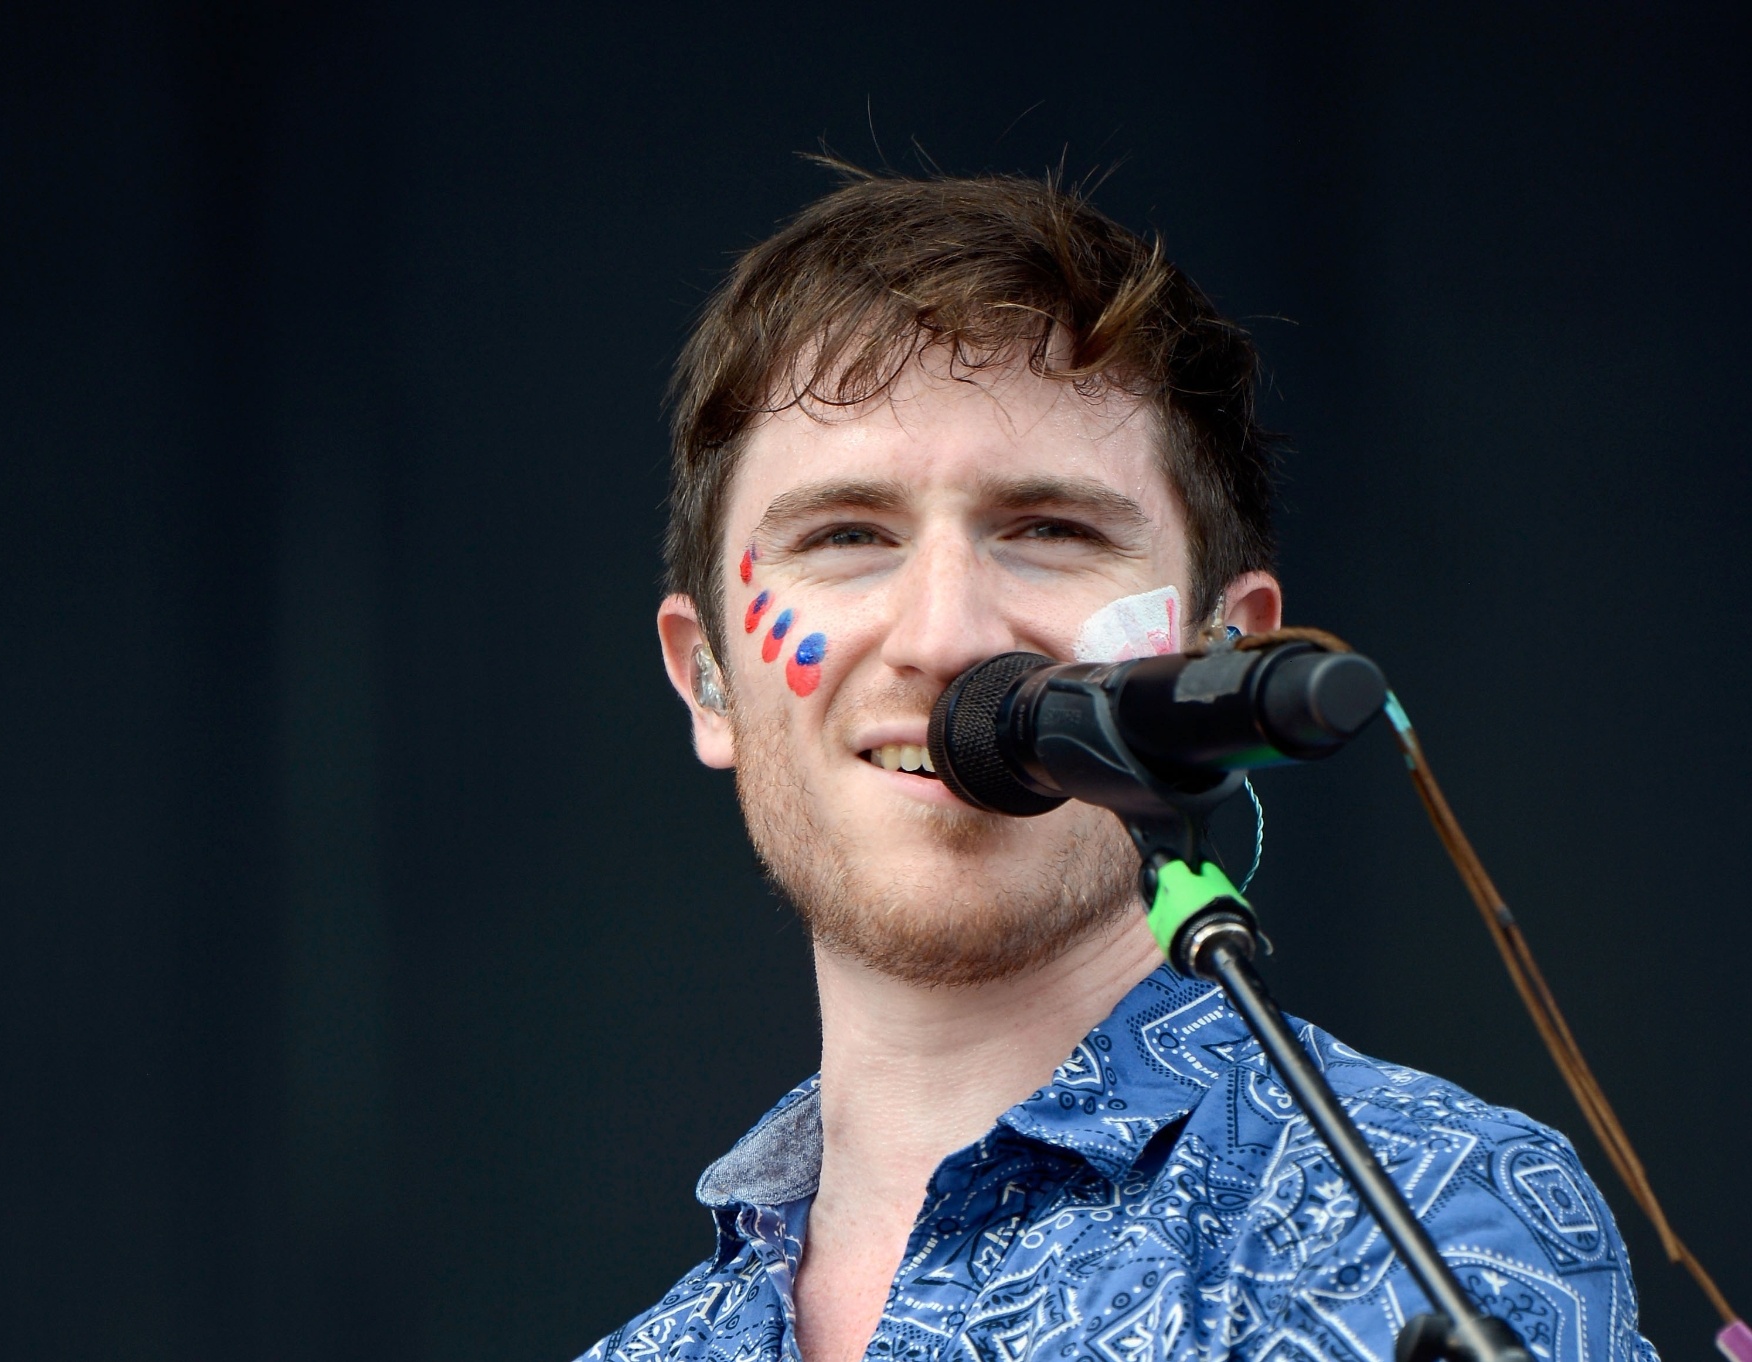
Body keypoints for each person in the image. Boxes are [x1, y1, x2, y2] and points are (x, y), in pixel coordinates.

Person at [582, 171, 1655, 1362]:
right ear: (707, 677)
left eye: (1050, 530)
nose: (944, 638)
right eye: (847, 536)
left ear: (1220, 653)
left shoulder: (1424, 1220)